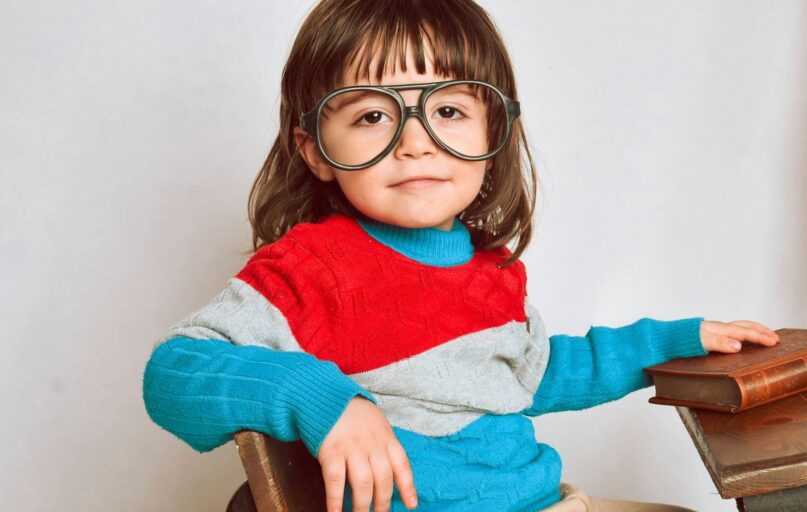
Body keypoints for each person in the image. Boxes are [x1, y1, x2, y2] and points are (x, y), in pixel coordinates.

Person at [141, 1, 780, 511]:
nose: (415, 142)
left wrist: (672, 342)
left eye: (447, 109)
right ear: (315, 150)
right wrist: (320, 399)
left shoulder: (489, 272)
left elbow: (535, 375)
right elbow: (173, 373)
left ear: (491, 133)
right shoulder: (314, 268)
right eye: (371, 116)